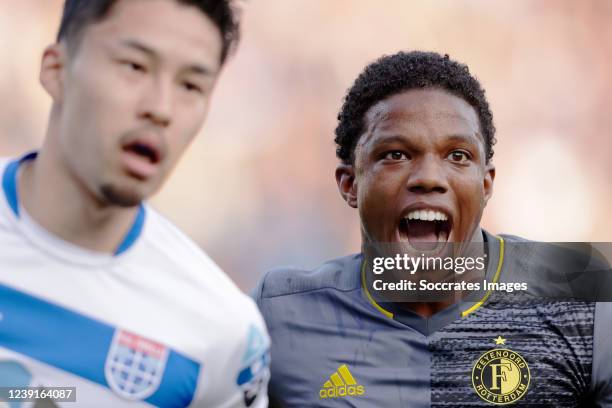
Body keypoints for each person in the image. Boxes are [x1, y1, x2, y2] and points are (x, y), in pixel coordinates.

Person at [252, 51, 612, 406]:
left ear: (486, 185)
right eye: (395, 154)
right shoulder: (281, 313)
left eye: (458, 155)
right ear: (350, 185)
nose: (428, 178)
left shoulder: (582, 296)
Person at [0, 1, 269, 407]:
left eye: (191, 86)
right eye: (134, 66)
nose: (160, 108)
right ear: (56, 70)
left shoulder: (222, 334)